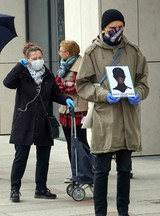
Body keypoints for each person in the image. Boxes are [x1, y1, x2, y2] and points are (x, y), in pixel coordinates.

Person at [75, 9, 149, 216]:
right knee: (102, 170)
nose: (116, 31)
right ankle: (101, 212)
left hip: (128, 119)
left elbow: (143, 81)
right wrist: (103, 94)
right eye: (112, 28)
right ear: (104, 29)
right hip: (105, 119)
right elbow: (82, 85)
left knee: (125, 170)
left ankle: (123, 211)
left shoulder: (133, 51)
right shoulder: (92, 52)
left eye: (120, 28)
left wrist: (139, 93)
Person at [3, 43, 75, 202]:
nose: (38, 60)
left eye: (40, 57)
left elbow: (56, 94)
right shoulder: (22, 75)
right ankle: (15, 189)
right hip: (24, 122)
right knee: (20, 157)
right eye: (34, 58)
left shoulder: (48, 76)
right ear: (27, 60)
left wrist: (67, 99)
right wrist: (17, 67)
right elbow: (7, 83)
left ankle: (41, 188)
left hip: (43, 122)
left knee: (44, 158)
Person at [56, 40, 89, 183]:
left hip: (78, 109)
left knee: (80, 141)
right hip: (65, 109)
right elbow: (56, 84)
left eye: (61, 50)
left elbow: (76, 88)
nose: (59, 52)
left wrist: (63, 86)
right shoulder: (64, 65)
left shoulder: (80, 65)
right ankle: (74, 170)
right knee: (70, 142)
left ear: (68, 53)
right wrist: (64, 85)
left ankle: (86, 170)